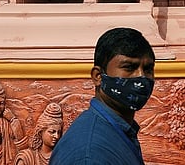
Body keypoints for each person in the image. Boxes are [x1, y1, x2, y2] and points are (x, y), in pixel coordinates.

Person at [50, 27, 156, 165]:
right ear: (98, 77)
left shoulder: (117, 130)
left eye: (148, 69)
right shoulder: (89, 154)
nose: (141, 77)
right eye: (129, 67)